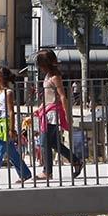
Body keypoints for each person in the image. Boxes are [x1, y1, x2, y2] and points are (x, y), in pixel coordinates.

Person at [33, 50, 84, 180]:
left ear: (45, 64)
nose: (39, 68)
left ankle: (47, 171)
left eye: (40, 65)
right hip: (47, 110)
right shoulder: (48, 76)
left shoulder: (55, 77)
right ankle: (76, 161)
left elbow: (62, 97)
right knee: (54, 143)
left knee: (44, 142)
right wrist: (40, 108)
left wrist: (67, 116)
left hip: (53, 113)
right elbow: (48, 96)